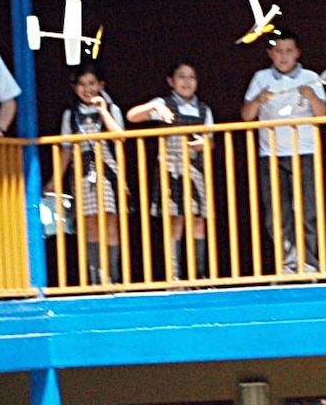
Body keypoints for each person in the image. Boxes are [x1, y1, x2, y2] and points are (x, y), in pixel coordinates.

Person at [241, 29, 326, 275]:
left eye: (289, 51)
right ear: (270, 53)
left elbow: (322, 115)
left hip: (306, 151)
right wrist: (258, 100)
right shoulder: (261, 78)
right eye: (278, 51)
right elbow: (246, 116)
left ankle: (310, 264)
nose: (284, 56)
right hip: (271, 154)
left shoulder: (311, 77)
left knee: (307, 210)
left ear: (298, 53)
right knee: (277, 213)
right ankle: (288, 265)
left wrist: (311, 96)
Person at [127, 60, 215, 281]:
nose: (187, 82)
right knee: (174, 221)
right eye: (182, 77)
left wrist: (203, 145)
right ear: (171, 81)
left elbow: (211, 140)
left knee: (197, 220)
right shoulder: (163, 103)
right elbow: (132, 116)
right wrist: (154, 108)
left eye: (191, 77)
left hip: (195, 169)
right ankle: (174, 276)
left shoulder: (203, 109)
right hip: (170, 168)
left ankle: (199, 275)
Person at [56, 64, 127, 285]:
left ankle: (113, 277)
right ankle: (97, 278)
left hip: (108, 171)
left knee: (110, 223)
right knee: (90, 225)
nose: (87, 89)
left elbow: (120, 136)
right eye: (82, 84)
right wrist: (54, 180)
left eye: (92, 84)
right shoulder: (70, 114)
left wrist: (103, 110)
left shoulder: (111, 109)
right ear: (75, 87)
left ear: (101, 85)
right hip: (82, 173)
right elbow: (66, 149)